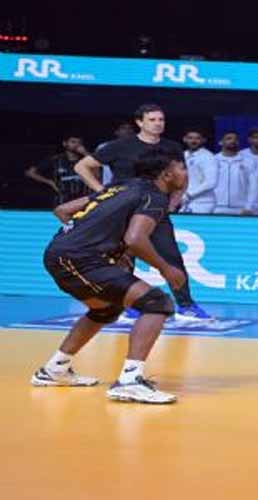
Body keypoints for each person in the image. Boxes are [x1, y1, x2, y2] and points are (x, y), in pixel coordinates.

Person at [31, 148, 188, 404]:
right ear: (166, 174)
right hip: (79, 259)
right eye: (181, 168)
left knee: (106, 310)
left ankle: (54, 369)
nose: (185, 173)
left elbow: (62, 210)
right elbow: (135, 239)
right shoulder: (154, 196)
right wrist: (166, 268)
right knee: (157, 303)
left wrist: (96, 240)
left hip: (66, 255)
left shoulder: (121, 187)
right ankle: (130, 382)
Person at [71, 103, 212, 321]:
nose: (158, 124)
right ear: (139, 122)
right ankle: (127, 305)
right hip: (122, 210)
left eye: (161, 120)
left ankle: (186, 305)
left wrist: (173, 202)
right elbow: (82, 166)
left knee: (171, 256)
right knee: (123, 258)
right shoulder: (119, 146)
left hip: (154, 209)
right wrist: (102, 193)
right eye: (152, 120)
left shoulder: (172, 147)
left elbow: (182, 177)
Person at [24, 134, 93, 206]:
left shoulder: (86, 159)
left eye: (79, 143)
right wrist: (50, 182)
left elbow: (98, 164)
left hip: (83, 198)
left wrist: (85, 153)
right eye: (73, 142)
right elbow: (30, 173)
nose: (77, 145)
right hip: (62, 199)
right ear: (65, 143)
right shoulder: (55, 160)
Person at [212, 131, 253, 215]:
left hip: (241, 208)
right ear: (220, 142)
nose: (233, 141)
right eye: (229, 138)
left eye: (235, 139)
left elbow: (253, 186)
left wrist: (249, 207)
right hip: (216, 207)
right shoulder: (212, 160)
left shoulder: (249, 162)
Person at [180, 128, 219, 214]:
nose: (193, 141)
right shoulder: (183, 155)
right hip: (185, 201)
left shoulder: (208, 157)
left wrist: (189, 194)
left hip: (203, 202)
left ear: (203, 140)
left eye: (197, 138)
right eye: (190, 138)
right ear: (184, 139)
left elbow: (211, 182)